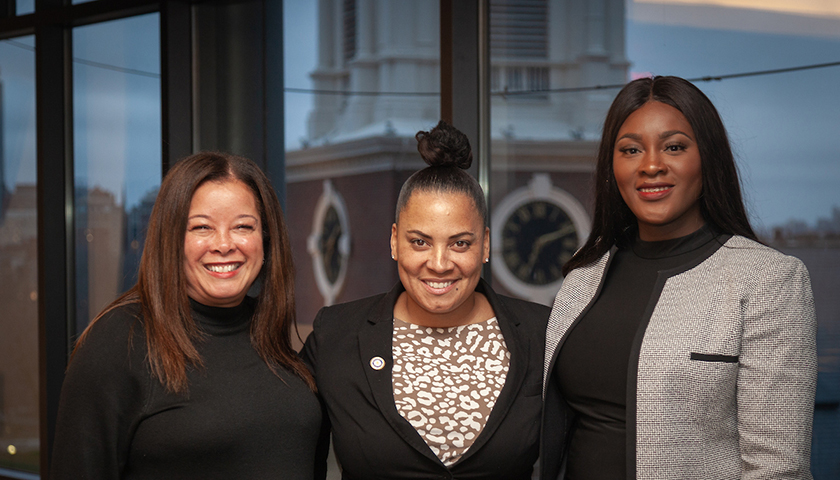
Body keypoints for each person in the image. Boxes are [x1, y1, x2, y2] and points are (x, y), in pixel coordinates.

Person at [541, 75, 817, 480]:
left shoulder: (768, 281)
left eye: (674, 147)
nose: (651, 166)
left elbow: (778, 468)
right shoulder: (582, 279)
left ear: (708, 157)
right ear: (611, 166)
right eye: (631, 150)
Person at [51, 152, 327, 479]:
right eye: (201, 227)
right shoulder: (118, 341)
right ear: (171, 240)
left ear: (264, 239)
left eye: (242, 226)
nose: (224, 244)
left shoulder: (269, 331)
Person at [303, 121, 549, 479]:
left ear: (485, 245)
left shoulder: (541, 334)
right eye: (419, 241)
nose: (438, 264)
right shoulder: (335, 336)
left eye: (460, 243)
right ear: (394, 241)